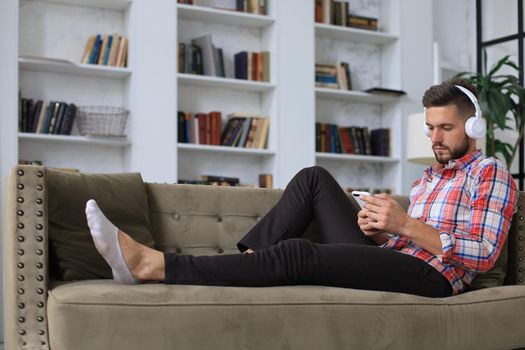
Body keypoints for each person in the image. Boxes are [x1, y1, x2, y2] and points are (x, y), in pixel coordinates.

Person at [85, 78, 517, 298]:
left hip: (435, 279)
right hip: (397, 258)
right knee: (314, 178)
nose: (435, 138)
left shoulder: (490, 174)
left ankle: (153, 265)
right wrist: (382, 230)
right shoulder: (428, 178)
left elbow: (483, 253)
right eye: (429, 128)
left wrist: (404, 225)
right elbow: (403, 240)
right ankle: (252, 266)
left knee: (298, 254)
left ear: (474, 127)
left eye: (446, 128)